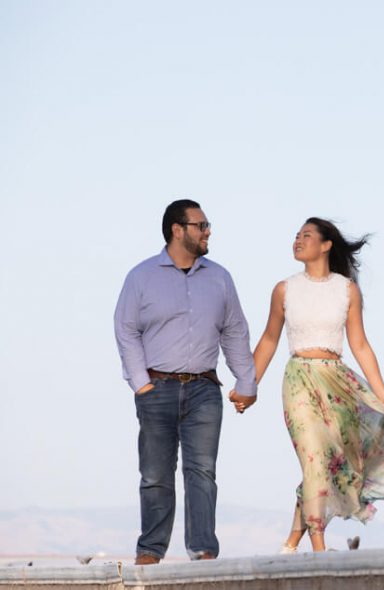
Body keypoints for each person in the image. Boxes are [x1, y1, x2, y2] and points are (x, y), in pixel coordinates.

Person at [248, 217, 384, 553]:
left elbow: (360, 345)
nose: (298, 240)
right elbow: (268, 340)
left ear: (325, 245)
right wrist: (248, 384)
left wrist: (383, 395)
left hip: (337, 382)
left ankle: (292, 541)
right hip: (299, 379)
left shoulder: (346, 290)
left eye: (306, 235)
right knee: (314, 457)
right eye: (296, 235)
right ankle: (318, 547)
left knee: (330, 463)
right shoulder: (284, 289)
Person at [114, 200, 258, 564]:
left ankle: (202, 550)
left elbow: (235, 331)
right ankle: (150, 551)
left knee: (202, 472)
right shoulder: (141, 276)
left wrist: (247, 381)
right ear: (178, 230)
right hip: (156, 389)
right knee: (155, 475)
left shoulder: (220, 277)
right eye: (202, 225)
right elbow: (126, 329)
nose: (208, 231)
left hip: (204, 390)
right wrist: (141, 384)